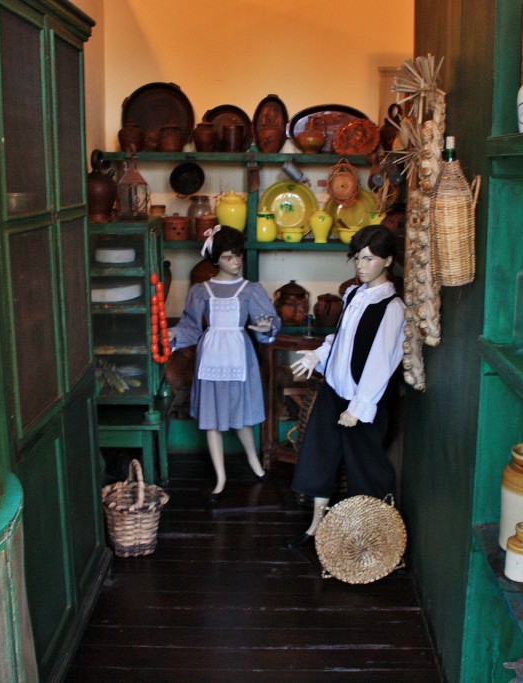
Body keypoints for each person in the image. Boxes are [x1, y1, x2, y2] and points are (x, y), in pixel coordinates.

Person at [288, 224, 405, 549]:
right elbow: (340, 341)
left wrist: (358, 407)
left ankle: (372, 535)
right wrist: (317, 357)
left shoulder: (391, 308)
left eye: (369, 259)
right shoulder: (354, 294)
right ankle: (314, 527)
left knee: (365, 468)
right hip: (333, 391)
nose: (361, 266)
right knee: (318, 456)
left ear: (388, 261)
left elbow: (382, 363)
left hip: (361, 403)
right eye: (357, 258)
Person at [169, 225, 280, 505]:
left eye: (238, 255)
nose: (236, 262)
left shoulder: (250, 289)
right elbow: (191, 327)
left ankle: (255, 463)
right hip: (210, 356)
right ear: (216, 259)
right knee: (212, 422)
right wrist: (173, 335)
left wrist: (265, 325)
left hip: (240, 355)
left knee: (240, 415)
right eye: (230, 257)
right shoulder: (200, 291)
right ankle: (220, 478)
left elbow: (267, 320)